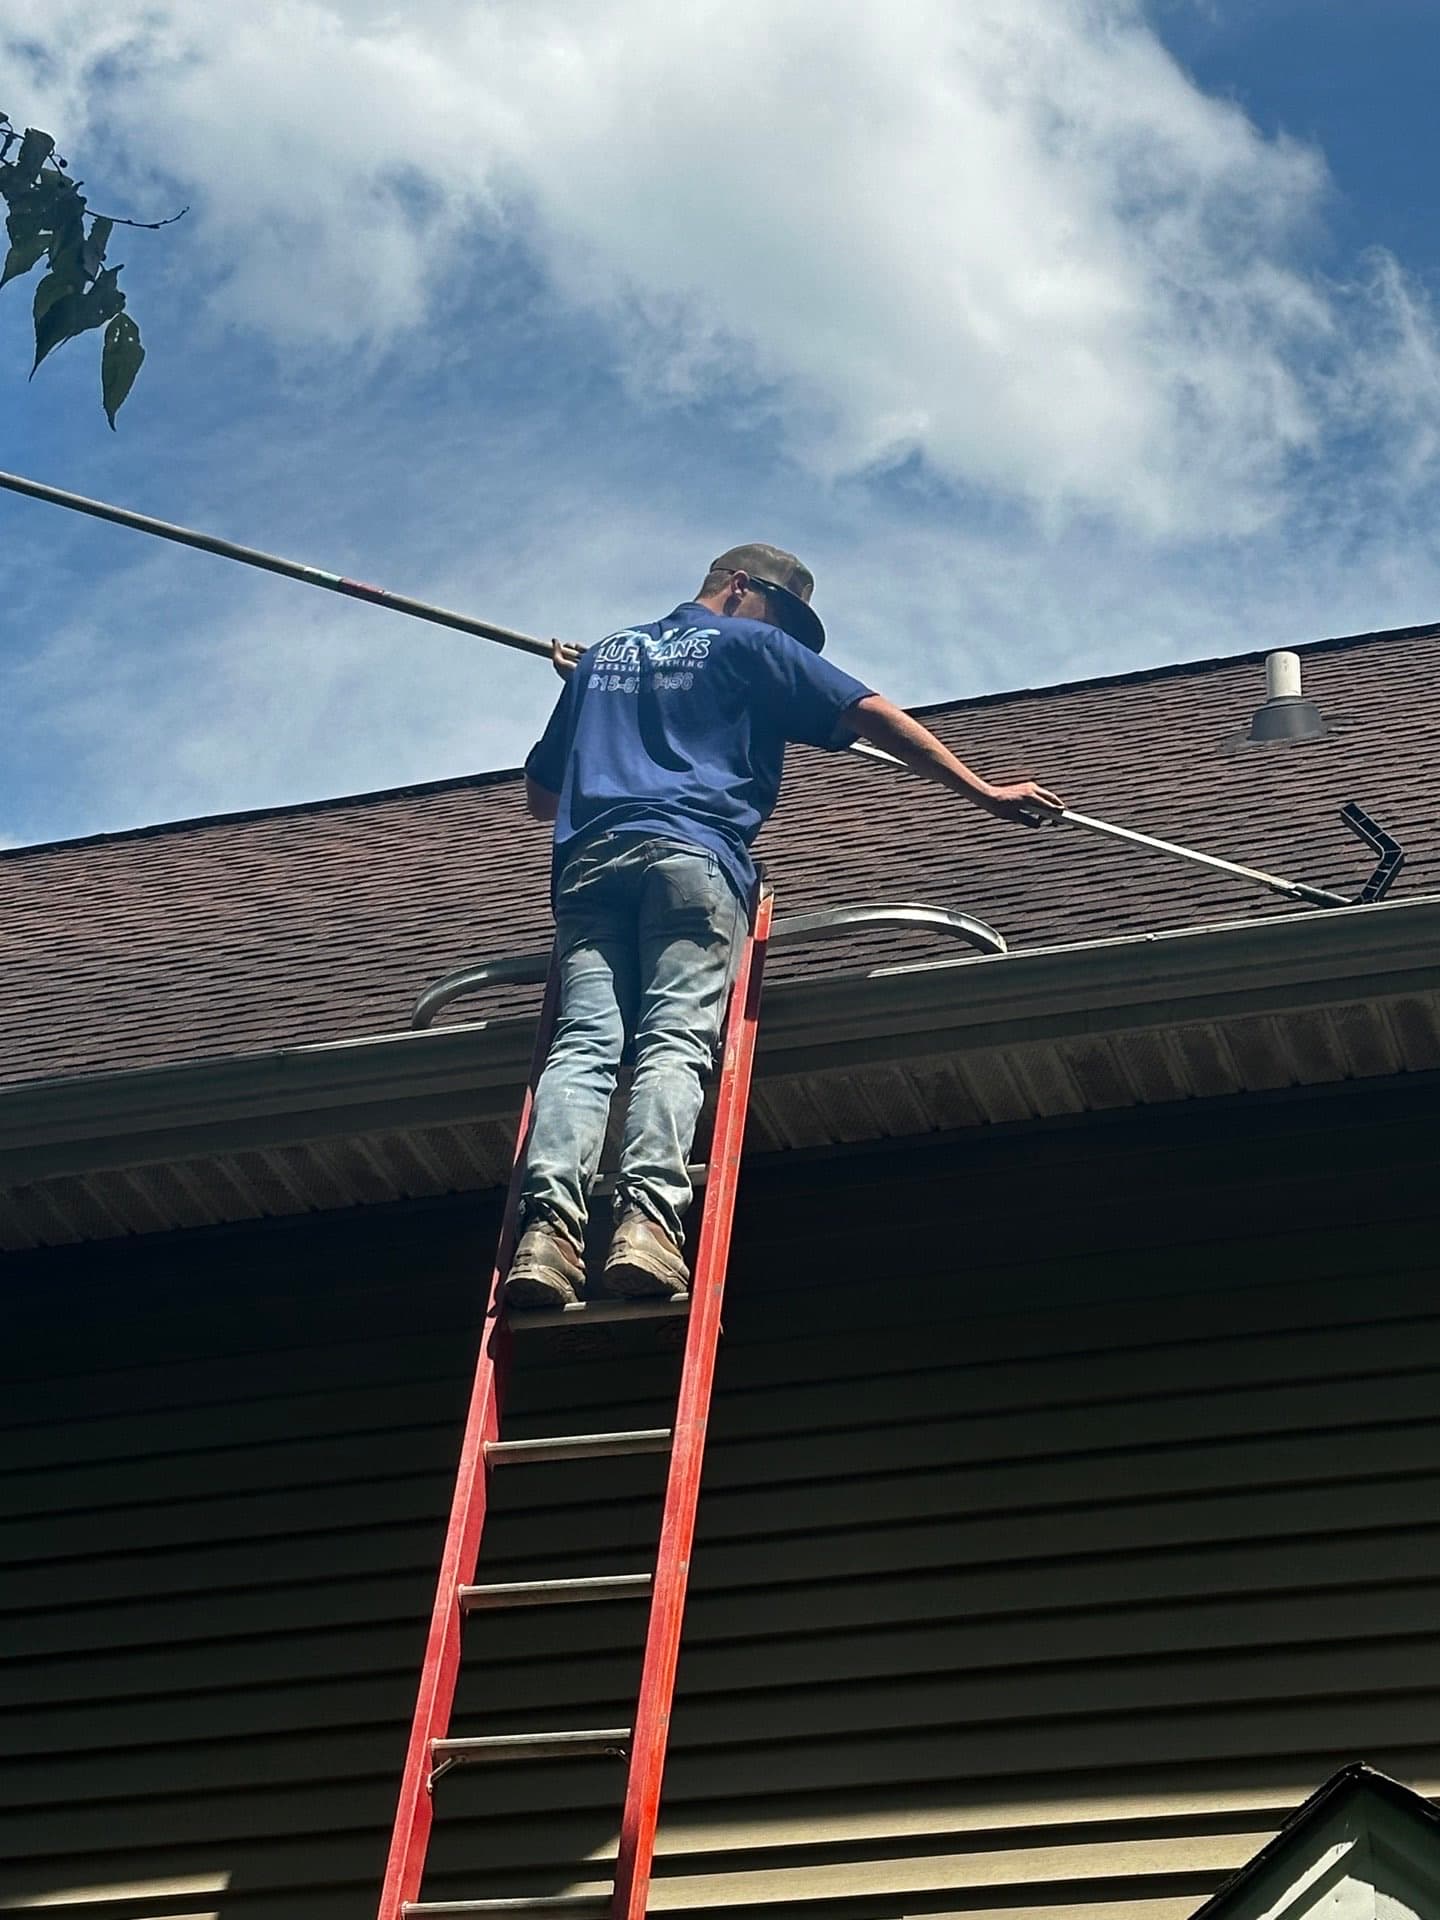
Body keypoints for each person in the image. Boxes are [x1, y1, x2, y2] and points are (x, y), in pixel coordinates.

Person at [506, 543, 1063, 1307]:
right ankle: (644, 1225)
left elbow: (542, 800)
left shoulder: (605, 658)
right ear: (740, 587)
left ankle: (545, 1235)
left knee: (584, 1045)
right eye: (782, 617)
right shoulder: (749, 644)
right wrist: (982, 791)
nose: (785, 637)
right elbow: (868, 712)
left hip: (589, 867)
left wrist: (601, 702)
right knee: (674, 1038)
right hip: (693, 857)